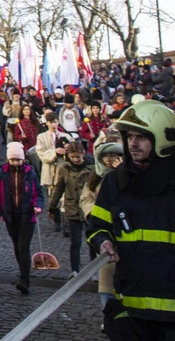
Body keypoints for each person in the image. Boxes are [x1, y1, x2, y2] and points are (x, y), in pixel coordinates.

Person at [87, 100, 175, 339]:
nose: (133, 143)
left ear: (162, 139)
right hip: (130, 308)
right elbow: (97, 226)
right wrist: (102, 241)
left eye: (142, 137)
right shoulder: (115, 181)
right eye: (130, 136)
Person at [0, 142, 44, 295]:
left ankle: (24, 279)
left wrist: (38, 205)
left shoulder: (31, 173)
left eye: (18, 160)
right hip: (10, 215)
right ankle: (23, 273)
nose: (16, 163)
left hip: (27, 215)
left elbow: (38, 193)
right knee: (16, 246)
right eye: (13, 160)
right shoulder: (2, 174)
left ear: (23, 159)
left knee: (23, 246)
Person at [80, 142, 123, 312]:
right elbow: (86, 198)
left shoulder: (127, 175)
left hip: (125, 232)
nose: (110, 159)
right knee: (107, 277)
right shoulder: (96, 177)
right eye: (107, 156)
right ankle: (108, 314)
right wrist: (93, 214)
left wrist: (122, 173)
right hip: (105, 231)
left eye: (114, 155)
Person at [49, 140, 94, 276]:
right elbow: (59, 188)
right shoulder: (64, 168)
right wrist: (52, 207)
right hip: (72, 208)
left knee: (92, 240)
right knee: (75, 241)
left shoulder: (92, 168)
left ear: (83, 154)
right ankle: (75, 270)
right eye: (72, 157)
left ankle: (94, 271)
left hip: (89, 208)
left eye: (78, 157)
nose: (75, 160)